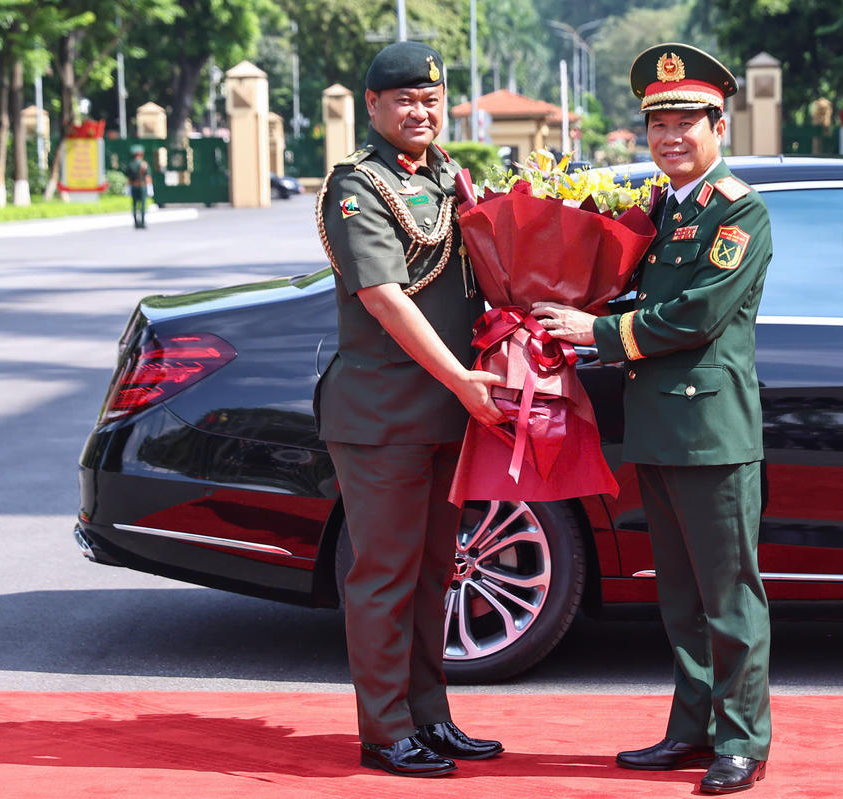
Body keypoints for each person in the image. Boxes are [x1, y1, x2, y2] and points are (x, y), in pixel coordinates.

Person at [532, 43, 773, 795]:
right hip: (662, 428)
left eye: (685, 122)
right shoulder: (665, 209)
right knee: (681, 595)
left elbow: (696, 316)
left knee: (729, 595)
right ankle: (691, 727)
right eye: (657, 125)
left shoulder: (738, 212)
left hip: (712, 432)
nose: (669, 138)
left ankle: (741, 739)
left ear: (718, 123)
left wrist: (593, 333)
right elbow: (630, 293)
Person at [314, 40, 505, 777]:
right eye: (404, 100)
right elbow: (385, 298)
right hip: (383, 414)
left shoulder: (451, 176)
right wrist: (461, 377)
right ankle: (384, 728)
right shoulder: (358, 188)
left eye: (430, 99)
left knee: (434, 572)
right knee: (384, 573)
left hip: (445, 413)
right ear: (373, 107)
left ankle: (430, 715)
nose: (420, 111)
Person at [124, 145, 152, 229]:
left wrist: (128, 188)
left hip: (133, 186)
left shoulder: (130, 164)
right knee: (143, 205)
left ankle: (136, 222)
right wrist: (150, 187)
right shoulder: (144, 164)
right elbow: (148, 177)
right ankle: (142, 222)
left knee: (134, 205)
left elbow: (128, 178)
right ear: (141, 154)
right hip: (142, 186)